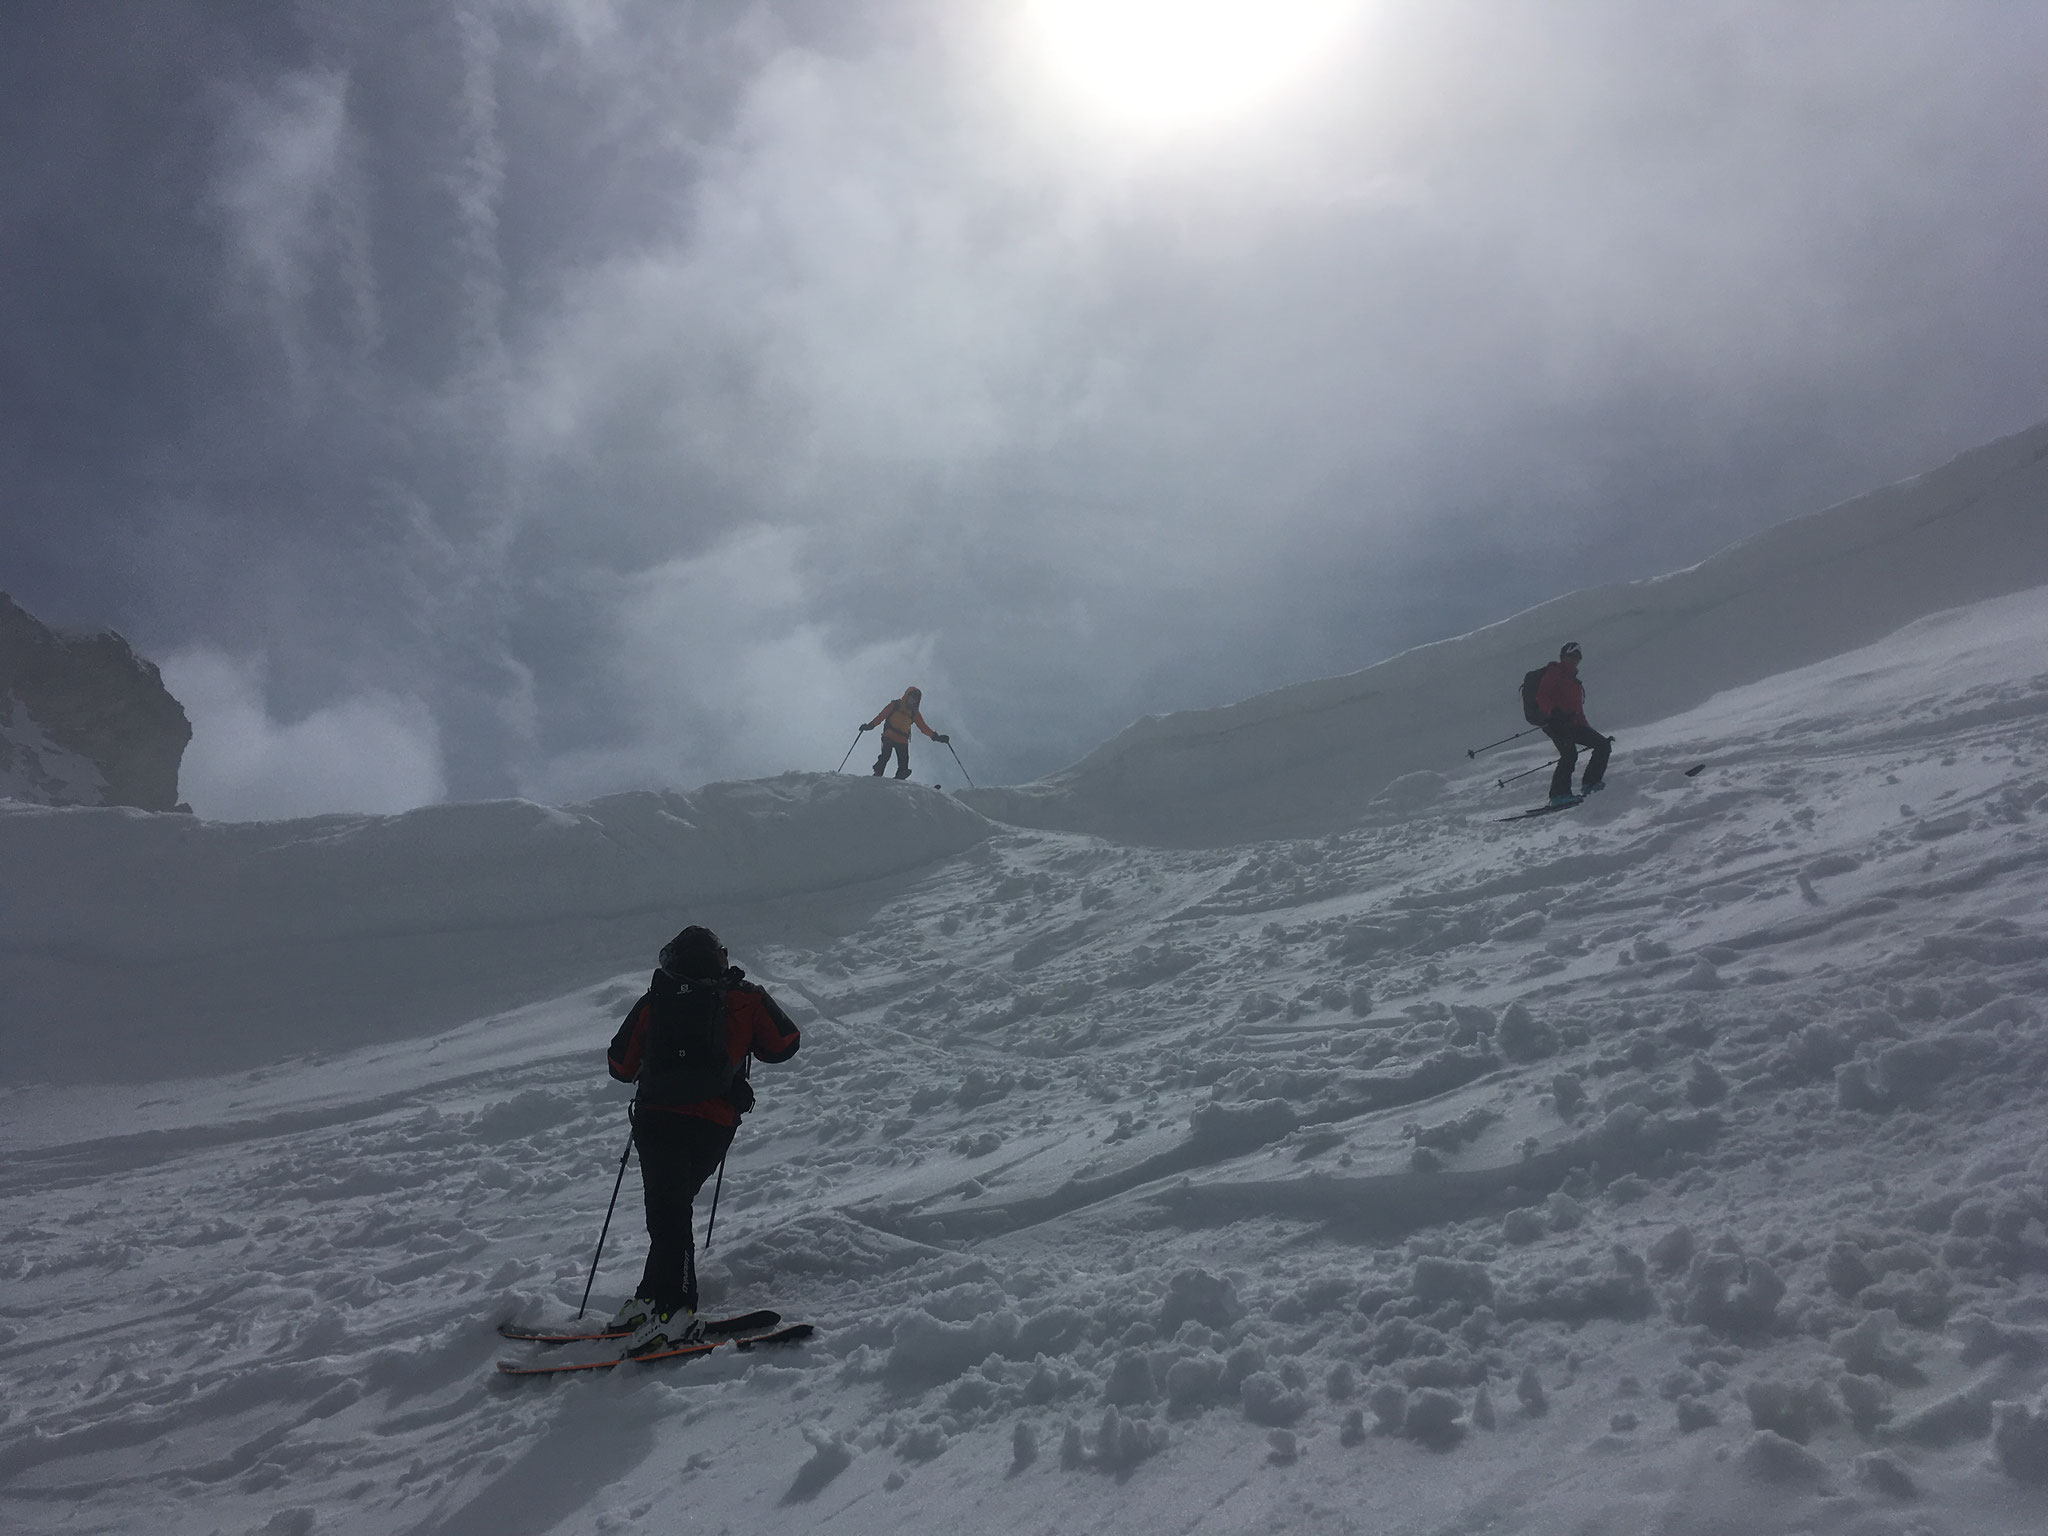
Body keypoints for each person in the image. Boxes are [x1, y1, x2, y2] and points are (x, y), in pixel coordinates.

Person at [605, 925, 801, 1355]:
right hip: (713, 1125)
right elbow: (785, 1044)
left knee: (666, 1211)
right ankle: (659, 1300)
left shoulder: (658, 998)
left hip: (657, 1121)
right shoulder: (743, 998)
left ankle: (669, 1307)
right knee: (673, 1210)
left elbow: (620, 1065)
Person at [1534, 641, 1613, 805]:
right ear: (1562, 656)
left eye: (1577, 657)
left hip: (1573, 724)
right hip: (1554, 724)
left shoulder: (1575, 683)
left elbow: (1578, 711)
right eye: (1571, 655)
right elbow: (1541, 695)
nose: (1574, 659)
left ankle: (1590, 784)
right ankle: (1558, 795)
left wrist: (1591, 732)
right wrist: (1554, 713)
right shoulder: (1554, 671)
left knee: (1603, 745)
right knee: (1569, 755)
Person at [859, 685, 948, 780]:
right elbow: (881, 716)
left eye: (915, 699)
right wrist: (870, 725)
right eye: (912, 697)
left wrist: (936, 737)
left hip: (902, 739)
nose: (913, 700)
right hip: (889, 735)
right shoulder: (895, 704)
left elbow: (923, 727)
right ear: (907, 695)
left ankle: (900, 775)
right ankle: (878, 773)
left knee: (903, 760)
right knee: (886, 755)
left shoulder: (914, 713)